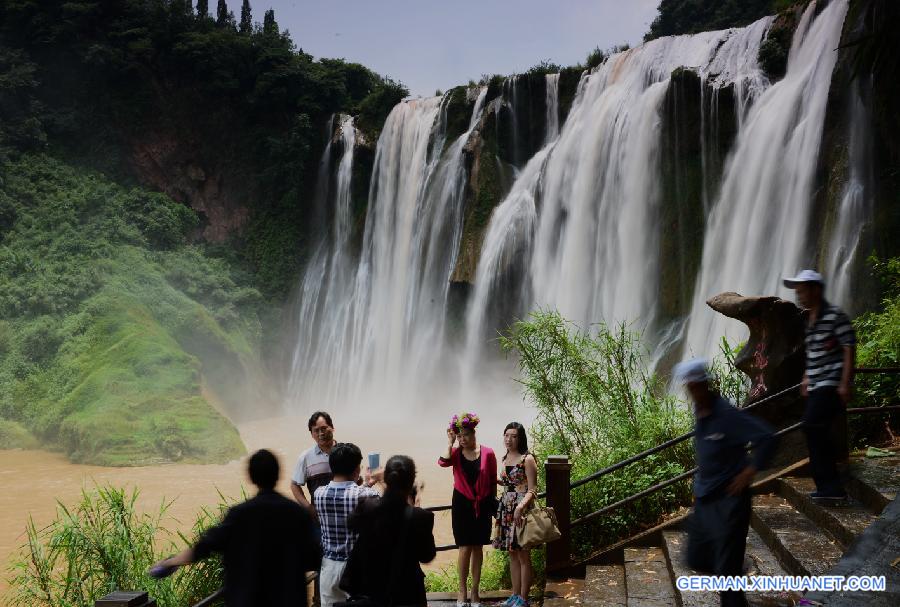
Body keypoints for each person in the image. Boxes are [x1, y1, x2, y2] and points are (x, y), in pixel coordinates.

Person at [149, 449, 321, 607]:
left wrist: (170, 562)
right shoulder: (298, 514)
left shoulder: (238, 515)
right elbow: (315, 556)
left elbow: (203, 547)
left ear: (251, 477)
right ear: (278, 475)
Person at [675, 359, 777, 607]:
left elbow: (767, 438)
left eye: (696, 386)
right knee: (696, 557)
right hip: (705, 498)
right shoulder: (701, 412)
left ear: (705, 384)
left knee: (726, 574)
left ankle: (731, 571)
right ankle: (732, 566)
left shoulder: (727, 415)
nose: (692, 391)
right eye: (689, 387)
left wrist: (749, 471)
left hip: (730, 501)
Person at [784, 269, 856, 500]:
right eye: (797, 291)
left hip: (830, 384)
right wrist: (806, 376)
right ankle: (827, 485)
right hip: (816, 386)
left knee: (813, 427)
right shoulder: (811, 320)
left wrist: (845, 383)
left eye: (802, 290)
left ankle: (832, 487)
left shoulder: (835, 316)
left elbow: (848, 348)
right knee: (816, 431)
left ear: (815, 290)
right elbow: (813, 353)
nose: (799, 295)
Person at [340, 455, 436, 606]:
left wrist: (371, 483)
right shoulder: (420, 517)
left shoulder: (367, 507)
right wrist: (415, 509)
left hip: (373, 591)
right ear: (411, 482)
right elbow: (427, 556)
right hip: (408, 592)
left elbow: (351, 524)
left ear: (388, 479)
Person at [438, 412, 498, 607]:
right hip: (462, 504)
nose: (462, 439)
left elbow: (491, 481)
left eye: (466, 435)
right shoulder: (455, 453)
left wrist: (494, 508)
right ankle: (462, 590)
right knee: (464, 548)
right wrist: (450, 442)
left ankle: (475, 592)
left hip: (482, 504)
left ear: (474, 433)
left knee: (478, 547)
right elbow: (442, 462)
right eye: (459, 436)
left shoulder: (488, 453)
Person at [313, 443, 382, 607]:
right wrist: (374, 482)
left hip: (329, 567)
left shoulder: (319, 494)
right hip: (356, 569)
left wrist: (365, 484)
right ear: (357, 469)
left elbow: (346, 496)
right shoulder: (368, 495)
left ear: (332, 467)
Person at [493, 422, 538, 607]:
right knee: (512, 554)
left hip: (521, 509)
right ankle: (514, 595)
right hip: (506, 508)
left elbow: (533, 489)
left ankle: (524, 599)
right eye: (506, 435)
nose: (508, 439)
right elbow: (507, 484)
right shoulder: (504, 458)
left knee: (523, 555)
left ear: (520, 438)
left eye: (513, 436)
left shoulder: (527, 458)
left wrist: (520, 507)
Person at [292, 411, 337, 519]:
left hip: (346, 515)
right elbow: (294, 485)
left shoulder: (346, 452)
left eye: (324, 428)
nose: (321, 433)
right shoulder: (305, 457)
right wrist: (309, 508)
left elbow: (355, 480)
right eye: (316, 430)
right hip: (319, 518)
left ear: (332, 427)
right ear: (312, 434)